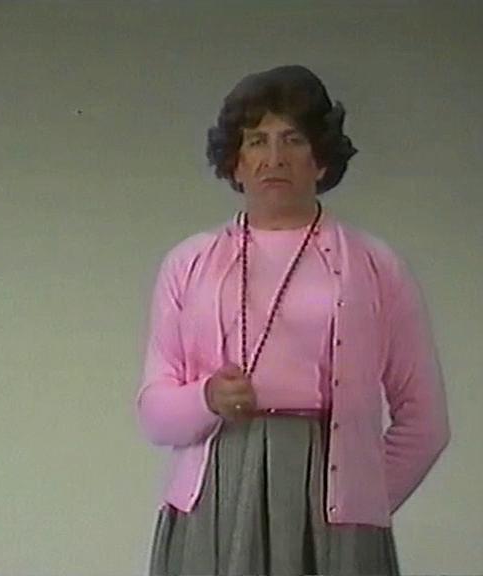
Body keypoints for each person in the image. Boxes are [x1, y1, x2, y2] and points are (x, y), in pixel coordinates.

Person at [136, 64, 450, 576]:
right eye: (256, 141)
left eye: (293, 139)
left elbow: (425, 421)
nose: (274, 158)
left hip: (332, 506)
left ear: (321, 159)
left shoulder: (376, 266)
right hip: (214, 504)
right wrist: (207, 398)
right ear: (235, 162)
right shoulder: (188, 263)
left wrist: (360, 504)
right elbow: (153, 413)